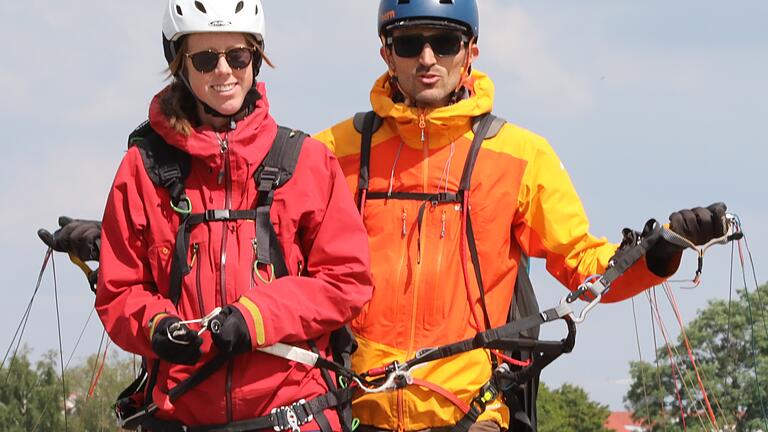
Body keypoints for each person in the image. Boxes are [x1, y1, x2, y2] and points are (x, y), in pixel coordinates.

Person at [41, 1, 729, 431]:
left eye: (443, 41)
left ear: (471, 51)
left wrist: (662, 250)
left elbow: (583, 269)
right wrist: (115, 241)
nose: (426, 58)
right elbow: (253, 236)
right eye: (408, 43)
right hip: (349, 406)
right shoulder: (332, 150)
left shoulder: (521, 156)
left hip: (469, 410)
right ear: (385, 52)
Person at [84, 0, 372, 430]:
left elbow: (348, 281)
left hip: (293, 413)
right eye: (205, 59)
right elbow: (119, 290)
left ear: (255, 57)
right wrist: (157, 326)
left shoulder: (307, 161)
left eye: (236, 56)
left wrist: (256, 316)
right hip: (183, 414)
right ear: (180, 64)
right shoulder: (142, 169)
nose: (224, 71)